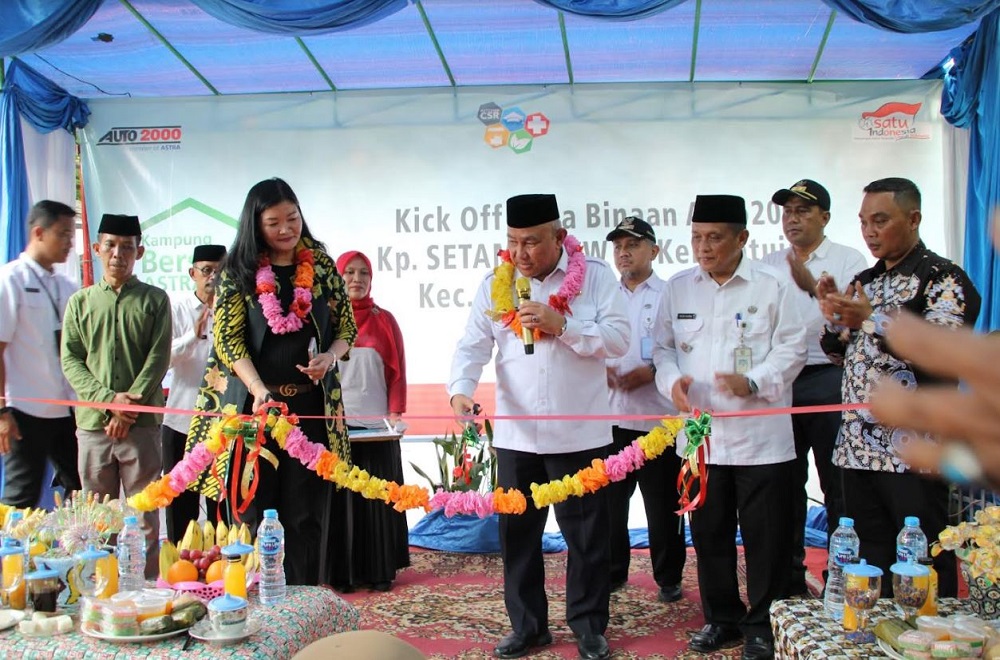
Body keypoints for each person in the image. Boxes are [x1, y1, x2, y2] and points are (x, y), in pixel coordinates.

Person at [449, 193, 628, 660]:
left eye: (531, 242)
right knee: (519, 537)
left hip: (579, 434)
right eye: (512, 242)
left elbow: (620, 339)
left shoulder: (596, 279)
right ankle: (528, 627)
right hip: (517, 435)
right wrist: (460, 390)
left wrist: (562, 324)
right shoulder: (496, 282)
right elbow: (471, 346)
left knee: (587, 539)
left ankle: (589, 626)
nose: (520, 253)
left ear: (559, 236)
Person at [653, 194, 806, 660]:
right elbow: (661, 349)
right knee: (709, 534)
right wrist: (669, 383)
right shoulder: (678, 287)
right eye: (696, 237)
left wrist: (755, 381)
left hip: (761, 441)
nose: (703, 247)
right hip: (701, 441)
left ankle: (762, 623)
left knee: (766, 538)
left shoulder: (772, 285)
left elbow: (793, 347)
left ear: (741, 237)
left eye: (715, 237)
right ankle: (722, 619)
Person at [185, 177, 357, 586]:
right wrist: (260, 389)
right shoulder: (239, 271)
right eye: (274, 222)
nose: (286, 229)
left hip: (310, 412)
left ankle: (304, 609)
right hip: (254, 412)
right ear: (255, 225)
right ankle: (255, 615)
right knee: (250, 516)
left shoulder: (320, 266)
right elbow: (228, 341)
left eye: (292, 218)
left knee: (306, 517)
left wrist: (330, 356)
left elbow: (347, 327)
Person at [815, 177, 980, 598]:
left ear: (914, 218)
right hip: (857, 447)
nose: (869, 231)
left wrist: (870, 318)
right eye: (864, 221)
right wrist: (835, 321)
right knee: (865, 561)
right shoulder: (866, 279)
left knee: (919, 564)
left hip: (913, 452)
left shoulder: (943, 278)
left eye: (881, 220)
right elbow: (841, 355)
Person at [761, 179, 868, 597]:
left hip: (827, 378)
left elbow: (850, 321)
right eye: (787, 211)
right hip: (780, 383)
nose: (793, 219)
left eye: (803, 211)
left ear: (824, 217)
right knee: (782, 484)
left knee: (835, 482)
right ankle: (787, 580)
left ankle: (839, 582)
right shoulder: (768, 263)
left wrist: (815, 290)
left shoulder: (847, 259)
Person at [61, 213, 171, 578]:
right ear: (95, 249)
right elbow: (71, 360)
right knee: (98, 517)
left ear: (139, 252)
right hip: (94, 427)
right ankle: (101, 588)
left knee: (145, 515)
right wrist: (110, 403)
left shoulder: (155, 300)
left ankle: (149, 592)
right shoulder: (80, 303)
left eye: (127, 247)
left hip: (141, 427)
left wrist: (127, 409)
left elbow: (158, 359)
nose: (117, 254)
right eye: (109, 245)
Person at [603, 216, 685, 603]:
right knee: (610, 507)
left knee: (663, 508)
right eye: (618, 246)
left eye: (633, 245)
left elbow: (681, 349)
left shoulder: (670, 293)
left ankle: (668, 578)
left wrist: (651, 372)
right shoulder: (605, 294)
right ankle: (614, 572)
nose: (624, 252)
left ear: (654, 250)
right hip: (612, 420)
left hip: (659, 420)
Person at [328, 250, 410, 592]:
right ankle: (343, 573)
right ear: (337, 277)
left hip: (377, 428)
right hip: (335, 428)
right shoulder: (325, 320)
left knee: (376, 497)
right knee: (343, 498)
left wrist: (395, 414)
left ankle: (380, 570)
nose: (356, 279)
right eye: (349, 272)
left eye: (363, 273)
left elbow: (397, 371)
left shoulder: (384, 320)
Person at [0, 200, 82, 507]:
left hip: (68, 408)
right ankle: (13, 555)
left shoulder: (67, 285)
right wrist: (2, 413)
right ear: (38, 232)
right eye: (62, 234)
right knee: (22, 497)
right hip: (25, 410)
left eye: (71, 236)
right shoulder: (11, 280)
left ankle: (80, 553)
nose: (69, 244)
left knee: (82, 491)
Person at [160, 244, 226, 542]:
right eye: (207, 270)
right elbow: (164, 359)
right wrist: (194, 334)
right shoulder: (177, 309)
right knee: (180, 502)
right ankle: (178, 568)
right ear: (192, 273)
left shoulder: (233, 310)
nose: (213, 276)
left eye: (220, 270)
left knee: (220, 506)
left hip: (222, 424)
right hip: (181, 422)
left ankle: (223, 569)